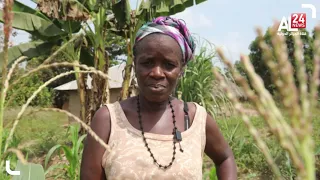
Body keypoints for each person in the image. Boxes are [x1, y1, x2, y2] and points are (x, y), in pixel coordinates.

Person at [80, 16, 237, 180]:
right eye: (147, 63)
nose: (156, 73)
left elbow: (225, 158)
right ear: (135, 64)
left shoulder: (194, 118)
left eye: (169, 65)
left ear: (181, 69)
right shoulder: (108, 120)